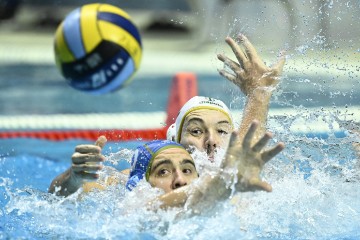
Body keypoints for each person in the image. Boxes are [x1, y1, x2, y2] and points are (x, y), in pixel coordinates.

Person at [49, 34, 285, 197]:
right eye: (196, 131)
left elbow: (244, 146)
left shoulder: (247, 176)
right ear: (173, 141)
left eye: (222, 131)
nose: (212, 140)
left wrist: (259, 93)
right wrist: (76, 177)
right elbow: (62, 196)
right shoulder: (145, 179)